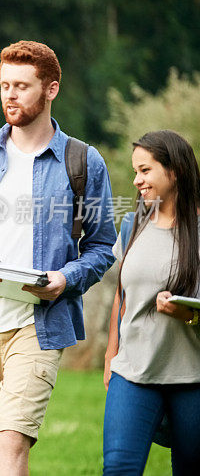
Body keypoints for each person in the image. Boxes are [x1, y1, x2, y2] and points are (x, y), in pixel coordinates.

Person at [0, 40, 117, 475]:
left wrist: (67, 279)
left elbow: (102, 245)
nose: (10, 96)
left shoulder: (82, 162)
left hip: (38, 323)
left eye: (22, 86)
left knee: (13, 444)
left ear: (51, 89)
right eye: (4, 85)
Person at [103, 130, 200, 475]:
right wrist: (111, 355)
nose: (137, 180)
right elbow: (122, 294)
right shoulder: (132, 224)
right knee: (119, 468)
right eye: (135, 172)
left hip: (192, 377)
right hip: (133, 373)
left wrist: (188, 314)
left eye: (145, 171)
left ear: (175, 171)